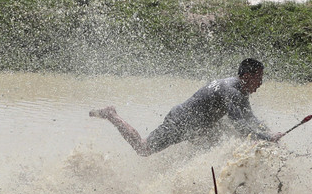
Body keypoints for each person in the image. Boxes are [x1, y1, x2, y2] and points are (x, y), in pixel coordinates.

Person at [90, 58, 284, 156]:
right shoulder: (231, 91)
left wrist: (268, 133)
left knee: (217, 145)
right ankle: (111, 114)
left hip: (200, 126)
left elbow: (250, 118)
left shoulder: (238, 89)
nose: (260, 84)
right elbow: (241, 126)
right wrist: (267, 137)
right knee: (143, 149)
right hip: (180, 122)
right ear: (248, 77)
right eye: (259, 79)